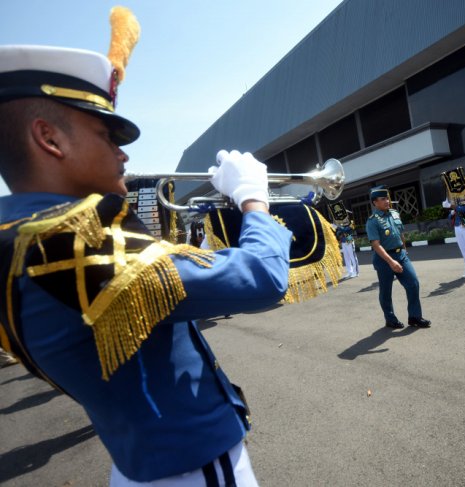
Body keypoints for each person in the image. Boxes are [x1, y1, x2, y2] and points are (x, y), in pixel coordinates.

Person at [0, 39, 291, 486]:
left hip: (142, 460)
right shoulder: (63, 239)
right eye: (107, 135)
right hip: (190, 466)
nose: (124, 153)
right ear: (49, 138)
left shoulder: (20, 234)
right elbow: (264, 278)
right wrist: (253, 198)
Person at [366, 186, 431, 329]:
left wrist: (404, 250)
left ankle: (414, 317)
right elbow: (376, 245)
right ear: (374, 202)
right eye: (383, 199)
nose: (387, 201)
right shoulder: (373, 221)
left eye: (387, 198)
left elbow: (400, 234)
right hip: (384, 259)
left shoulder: (394, 213)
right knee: (386, 290)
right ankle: (390, 319)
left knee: (413, 283)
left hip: (401, 255)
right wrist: (391, 261)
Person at [442, 195, 465, 278]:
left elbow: (463, 209)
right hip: (457, 227)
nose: (461, 197)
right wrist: (451, 212)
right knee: (463, 250)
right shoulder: (457, 204)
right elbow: (450, 217)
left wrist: (451, 206)